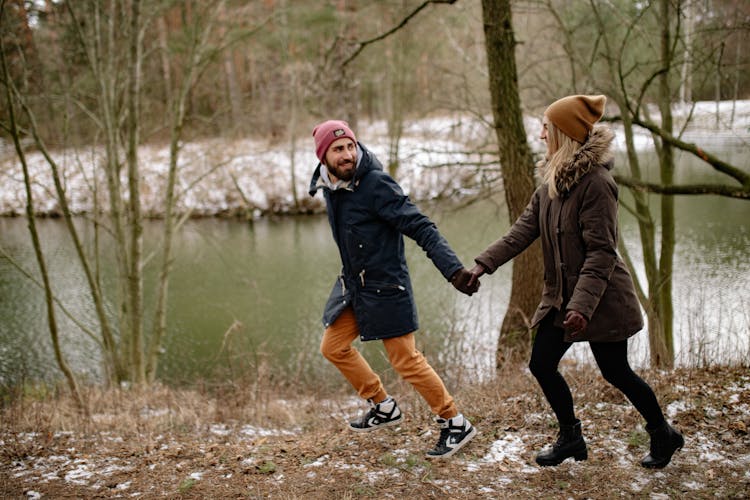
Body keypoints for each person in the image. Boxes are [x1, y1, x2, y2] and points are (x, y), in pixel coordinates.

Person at [466, 95, 684, 468]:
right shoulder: (551, 183)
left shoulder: (597, 184)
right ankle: (571, 437)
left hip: (600, 299)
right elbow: (521, 232)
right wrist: (482, 266)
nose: (540, 135)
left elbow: (601, 253)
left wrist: (581, 306)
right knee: (541, 364)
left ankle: (663, 433)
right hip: (561, 299)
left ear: (563, 134)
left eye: (546, 129)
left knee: (616, 372)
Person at [308, 120, 479, 459]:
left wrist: (453, 270)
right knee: (333, 346)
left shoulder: (375, 184)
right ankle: (383, 406)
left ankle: (455, 422)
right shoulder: (332, 188)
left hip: (387, 287)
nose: (347, 154)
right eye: (338, 149)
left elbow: (420, 226)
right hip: (355, 286)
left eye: (350, 146)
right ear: (323, 156)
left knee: (406, 361)